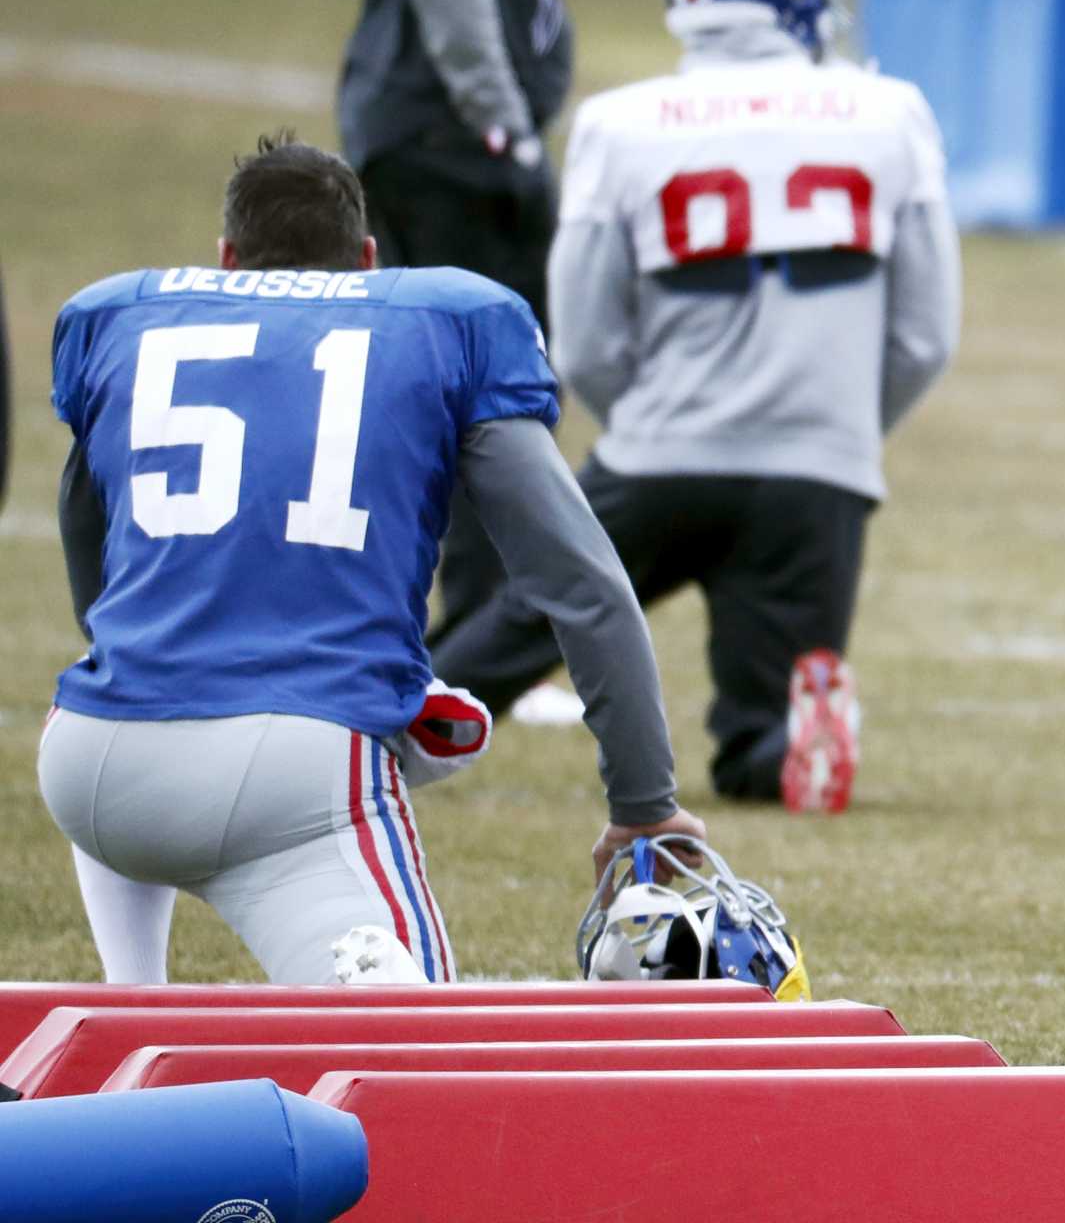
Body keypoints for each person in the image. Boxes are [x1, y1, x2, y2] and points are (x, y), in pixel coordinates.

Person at [37, 135, 703, 985]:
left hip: (92, 759)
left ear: (227, 258)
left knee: (133, 1017)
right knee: (418, 1074)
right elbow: (584, 589)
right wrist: (644, 809)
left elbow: (92, 576)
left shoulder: (116, 317)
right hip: (296, 773)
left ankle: (130, 1002)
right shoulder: (450, 321)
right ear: (366, 259)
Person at [431, 0, 961, 813]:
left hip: (660, 453)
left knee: (526, 620)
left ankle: (395, 727)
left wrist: (647, 415)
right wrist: (837, 429)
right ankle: (782, 736)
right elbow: (924, 333)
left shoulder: (620, 124)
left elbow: (585, 332)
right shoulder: (889, 113)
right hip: (816, 472)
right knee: (757, 736)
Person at [331, 0, 607, 683]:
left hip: (412, 101)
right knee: (493, 387)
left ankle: (438, 634)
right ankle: (484, 644)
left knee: (433, 388)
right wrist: (501, 121)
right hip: (447, 119)